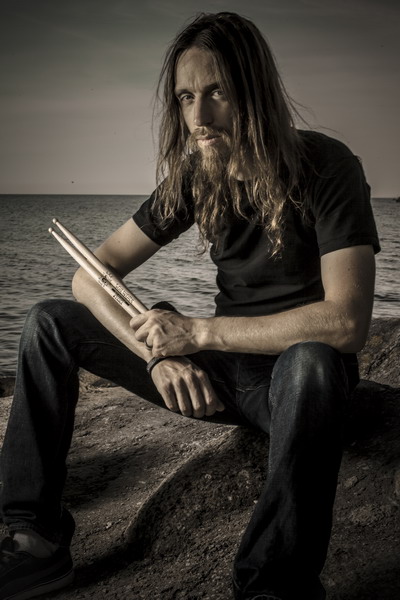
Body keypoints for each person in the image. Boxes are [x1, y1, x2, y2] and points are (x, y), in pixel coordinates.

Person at [0, 11, 380, 600]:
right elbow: (91, 276)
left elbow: (346, 322)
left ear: (254, 90)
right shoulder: (197, 175)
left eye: (216, 92)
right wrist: (157, 356)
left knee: (312, 360)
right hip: (221, 375)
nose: (198, 117)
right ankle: (37, 541)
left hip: (296, 385)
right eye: (185, 97)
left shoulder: (328, 166)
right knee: (48, 322)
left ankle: (274, 585)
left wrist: (197, 333)